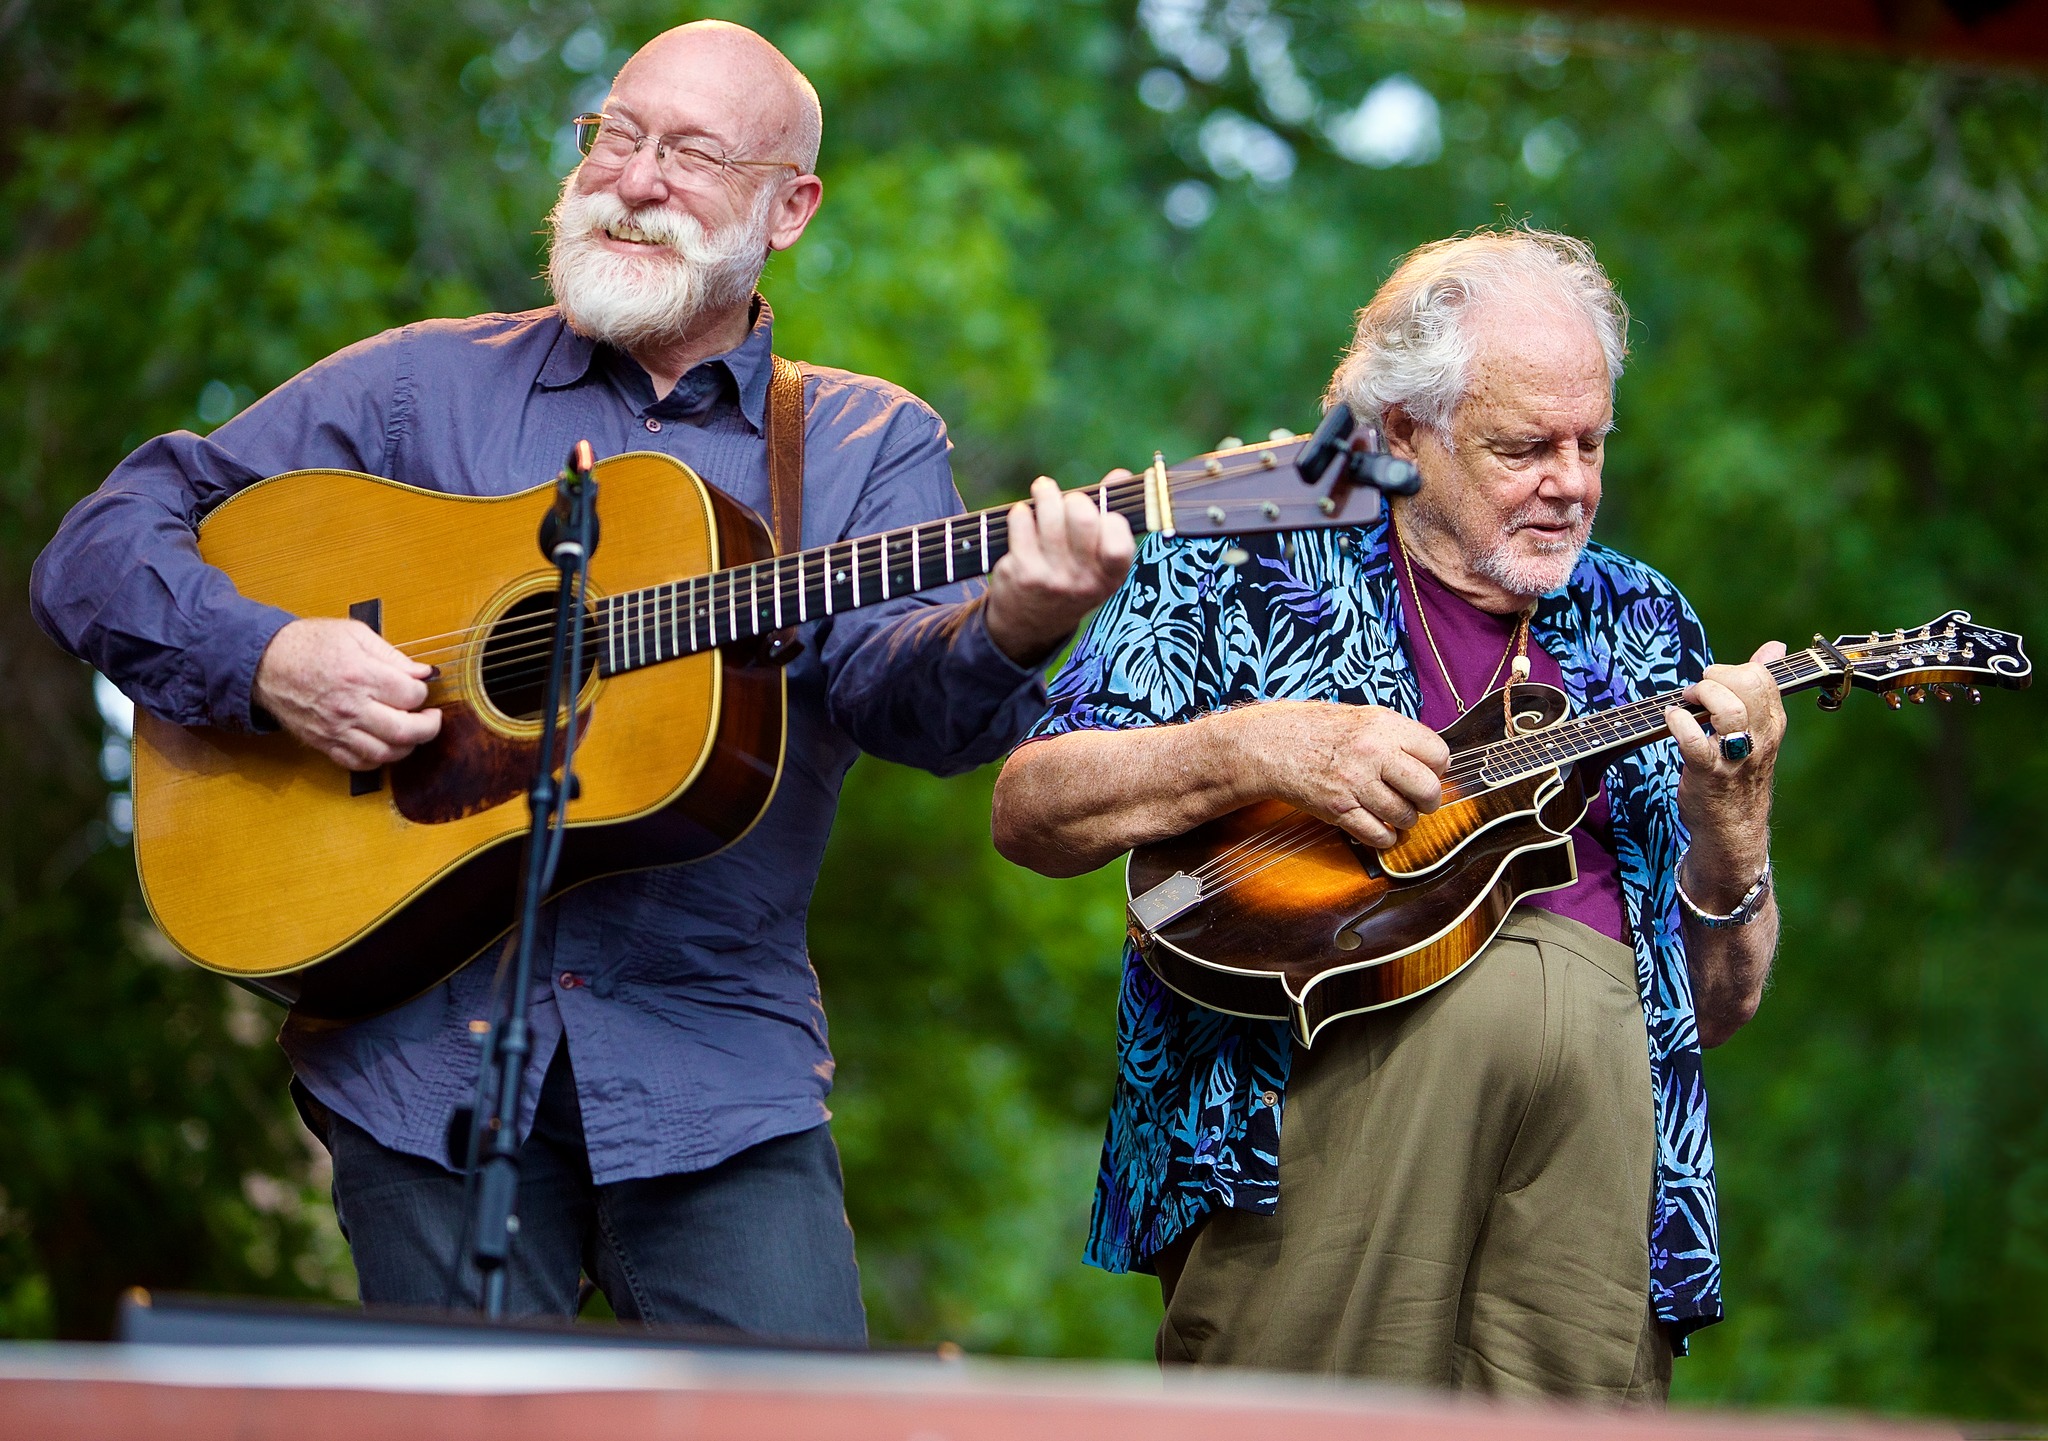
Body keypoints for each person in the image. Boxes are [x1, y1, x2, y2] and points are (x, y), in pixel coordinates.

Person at [30, 20, 1132, 1340]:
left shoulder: (861, 443)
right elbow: (103, 541)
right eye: (619, 133)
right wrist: (266, 656)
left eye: (695, 152)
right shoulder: (414, 387)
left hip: (719, 1075)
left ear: (792, 208)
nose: (639, 176)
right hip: (421, 1052)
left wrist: (1016, 621)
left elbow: (911, 703)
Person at [991, 227, 1783, 1401]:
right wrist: (1259, 743)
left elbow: (1715, 1009)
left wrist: (1733, 820)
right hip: (1310, 1160)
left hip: (1594, 1197)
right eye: (1524, 446)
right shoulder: (1239, 557)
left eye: (1589, 442)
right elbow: (1031, 808)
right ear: (1400, 430)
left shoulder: (1644, 620)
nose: (1569, 482)